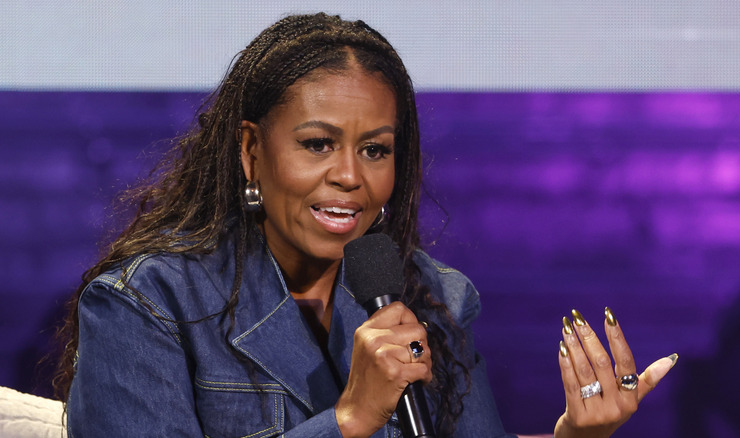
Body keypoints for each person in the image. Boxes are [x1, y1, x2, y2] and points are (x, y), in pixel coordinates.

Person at [54, 13, 675, 437]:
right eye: (318, 144)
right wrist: (348, 419)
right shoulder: (145, 305)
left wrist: (575, 437)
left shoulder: (431, 295)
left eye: (375, 150)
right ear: (250, 151)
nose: (351, 176)